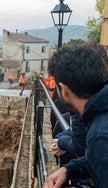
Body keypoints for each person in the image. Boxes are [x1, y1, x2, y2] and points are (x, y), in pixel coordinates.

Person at [43, 44, 108, 188]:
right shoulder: (99, 115)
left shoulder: (100, 136)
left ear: (64, 90)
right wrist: (68, 170)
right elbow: (98, 159)